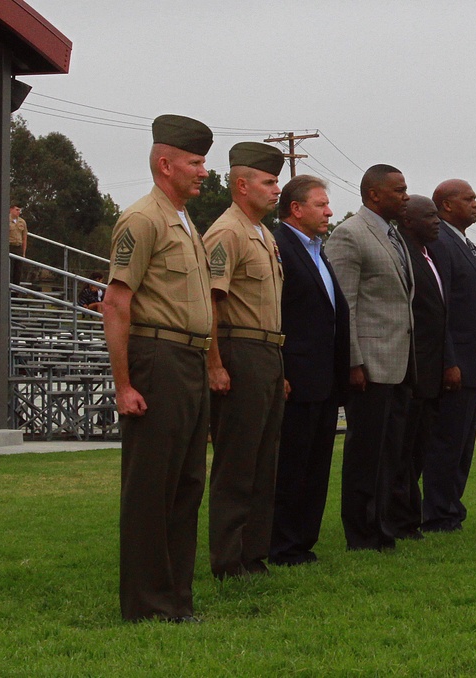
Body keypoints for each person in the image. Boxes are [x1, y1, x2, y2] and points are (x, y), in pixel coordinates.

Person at [102, 114, 214, 623]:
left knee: (187, 484)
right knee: (152, 487)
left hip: (187, 360)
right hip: (158, 358)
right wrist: (124, 384)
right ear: (165, 163)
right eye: (195, 162)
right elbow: (116, 302)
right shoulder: (144, 219)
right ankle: (147, 606)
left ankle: (175, 600)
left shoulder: (184, 220)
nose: (204, 171)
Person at [203, 142, 287, 580]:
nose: (277, 189)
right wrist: (215, 364)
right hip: (239, 349)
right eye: (269, 181)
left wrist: (280, 368)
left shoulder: (262, 233)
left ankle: (254, 555)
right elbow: (211, 305)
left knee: (263, 460)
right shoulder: (227, 232)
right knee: (237, 461)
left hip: (268, 352)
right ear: (242, 184)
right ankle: (228, 560)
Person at [325, 164, 414, 551]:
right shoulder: (350, 235)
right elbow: (345, 306)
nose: (405, 196)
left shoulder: (393, 236)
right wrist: (353, 362)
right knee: (366, 453)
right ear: (374, 194)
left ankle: (384, 525)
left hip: (398, 361)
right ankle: (361, 533)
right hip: (369, 363)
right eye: (398, 190)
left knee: (391, 450)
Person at [270, 175, 349, 566]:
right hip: (295, 379)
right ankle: (283, 545)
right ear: (296, 209)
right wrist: (280, 370)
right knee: (292, 465)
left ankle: (302, 541)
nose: (329, 211)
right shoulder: (278, 246)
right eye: (321, 205)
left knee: (316, 465)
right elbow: (276, 314)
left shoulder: (319, 250)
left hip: (324, 379)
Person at [422, 179, 476, 533]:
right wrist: (449, 360)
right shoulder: (440, 242)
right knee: (447, 442)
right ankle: (438, 513)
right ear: (446, 205)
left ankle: (451, 508)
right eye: (469, 199)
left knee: (463, 444)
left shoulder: (468, 245)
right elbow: (441, 308)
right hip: (456, 365)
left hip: (475, 365)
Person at [387, 195, 447, 540]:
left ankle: (409, 515)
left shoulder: (428, 255)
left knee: (417, 449)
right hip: (409, 367)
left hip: (430, 370)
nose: (437, 221)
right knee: (402, 451)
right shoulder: (406, 255)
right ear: (409, 221)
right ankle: (400, 518)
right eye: (430, 216)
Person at [8, 204, 28, 284]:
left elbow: (24, 237)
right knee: (10, 270)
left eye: (19, 210)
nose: (18, 212)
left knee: (18, 271)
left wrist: (23, 252)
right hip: (9, 246)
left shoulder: (22, 222)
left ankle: (15, 292)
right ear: (11, 210)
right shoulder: (6, 219)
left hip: (18, 247)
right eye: (16, 210)